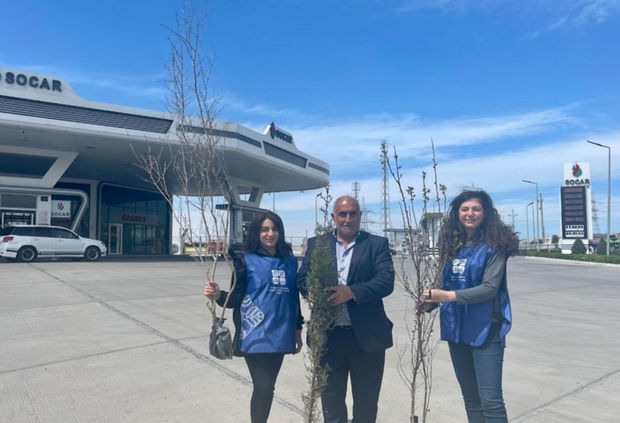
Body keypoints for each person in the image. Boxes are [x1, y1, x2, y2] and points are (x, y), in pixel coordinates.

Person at [421, 189, 519, 423]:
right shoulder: (452, 246)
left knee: (491, 401)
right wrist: (428, 304)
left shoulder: (494, 247)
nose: (470, 213)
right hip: (457, 328)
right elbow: (445, 284)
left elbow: (489, 288)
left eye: (476, 209)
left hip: (486, 328)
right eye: (464, 209)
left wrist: (446, 296)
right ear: (457, 213)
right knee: (471, 399)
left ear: (486, 213)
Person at [297, 195, 394, 423]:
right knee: (331, 408)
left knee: (366, 406)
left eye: (352, 213)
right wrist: (311, 291)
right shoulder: (317, 244)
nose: (347, 219)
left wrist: (351, 292)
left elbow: (386, 281)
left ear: (360, 216)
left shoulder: (376, 244)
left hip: (367, 339)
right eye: (342, 214)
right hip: (329, 338)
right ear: (334, 217)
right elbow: (302, 278)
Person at [204, 211, 303, 423]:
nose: (270, 234)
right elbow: (235, 298)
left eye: (274, 229)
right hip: (255, 334)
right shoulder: (244, 260)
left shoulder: (289, 262)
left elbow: (293, 298)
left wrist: (297, 329)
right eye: (264, 229)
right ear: (256, 233)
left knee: (269, 387)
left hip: (281, 334)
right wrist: (218, 294)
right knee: (263, 386)